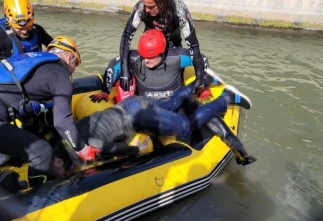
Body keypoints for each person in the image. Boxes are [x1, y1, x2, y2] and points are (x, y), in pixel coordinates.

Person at [92, 29, 257, 166]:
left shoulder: (177, 57)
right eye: (144, 57)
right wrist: (105, 90)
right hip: (150, 107)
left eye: (151, 57)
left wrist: (203, 83)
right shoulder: (135, 58)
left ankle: (239, 151)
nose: (146, 61)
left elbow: (201, 59)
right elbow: (114, 64)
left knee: (207, 117)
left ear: (162, 52)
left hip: (178, 102)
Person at [0, 36, 93, 188]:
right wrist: (82, 148)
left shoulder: (31, 59)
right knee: (41, 151)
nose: (74, 69)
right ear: (69, 56)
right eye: (76, 63)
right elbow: (62, 122)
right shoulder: (61, 73)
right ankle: (36, 196)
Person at [76, 83, 247, 162]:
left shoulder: (83, 146)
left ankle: (225, 99)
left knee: (185, 127)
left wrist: (136, 150)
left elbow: (114, 148)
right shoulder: (71, 129)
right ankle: (200, 84)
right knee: (171, 104)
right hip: (129, 104)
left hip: (137, 118)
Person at [119, 0, 206, 95]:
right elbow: (126, 36)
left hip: (173, 44)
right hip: (151, 43)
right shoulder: (141, 7)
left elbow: (193, 45)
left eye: (151, 7)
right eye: (145, 6)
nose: (147, 10)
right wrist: (124, 70)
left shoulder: (179, 10)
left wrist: (199, 77)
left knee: (176, 75)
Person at [0, 0, 53, 64]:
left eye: (28, 26)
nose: (24, 31)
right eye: (19, 28)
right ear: (9, 22)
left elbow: (55, 48)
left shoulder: (37, 31)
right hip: (7, 78)